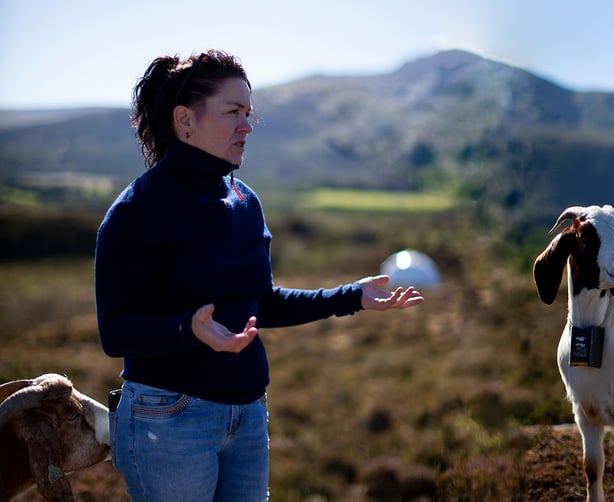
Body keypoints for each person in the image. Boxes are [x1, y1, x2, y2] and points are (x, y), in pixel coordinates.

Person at [95, 49, 424, 501]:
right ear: (185, 120)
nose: (247, 126)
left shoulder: (245, 203)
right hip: (169, 418)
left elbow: (261, 303)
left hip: (247, 414)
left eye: (248, 113)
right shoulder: (137, 212)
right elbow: (115, 333)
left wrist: (353, 296)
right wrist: (187, 330)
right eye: (233, 113)